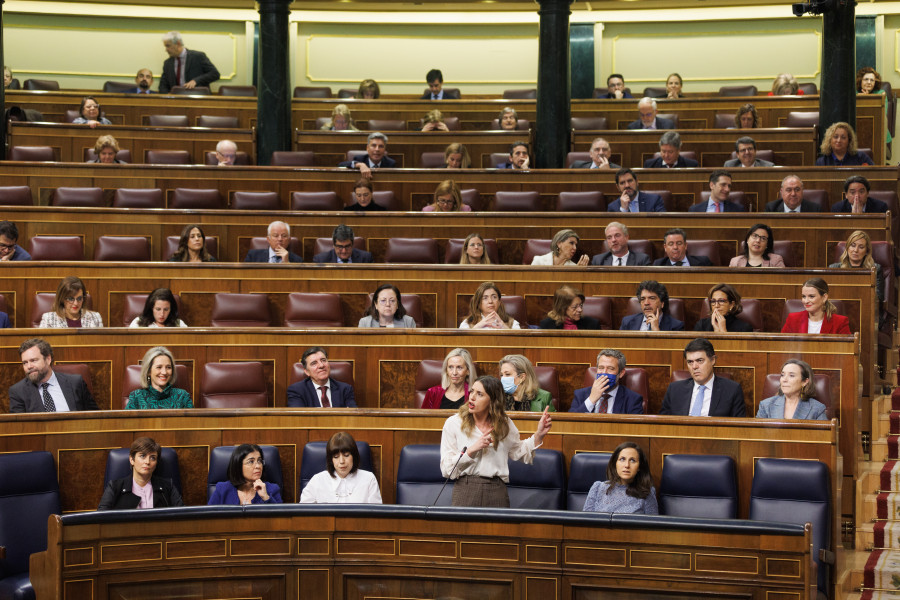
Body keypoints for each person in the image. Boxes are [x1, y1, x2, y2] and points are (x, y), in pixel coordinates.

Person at [439, 375, 552, 507]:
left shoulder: (504, 424)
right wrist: (471, 451)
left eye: (480, 394)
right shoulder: (454, 423)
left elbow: (519, 452)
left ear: (492, 401)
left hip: (496, 491)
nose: (472, 397)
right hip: (465, 488)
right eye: (472, 391)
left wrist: (539, 435)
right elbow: (447, 469)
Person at [660, 338, 747, 417]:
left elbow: (738, 429)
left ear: (713, 360)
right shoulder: (675, 389)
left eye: (700, 360)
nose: (694, 366)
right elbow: (663, 424)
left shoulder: (732, 390)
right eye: (690, 362)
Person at [9, 338, 98, 413]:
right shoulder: (18, 392)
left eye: (33, 360)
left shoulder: (75, 383)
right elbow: (20, 429)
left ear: (48, 359)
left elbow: (94, 417)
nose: (29, 366)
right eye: (25, 363)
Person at [98, 437, 184, 510]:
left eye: (153, 458)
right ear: (132, 460)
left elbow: (182, 516)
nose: (147, 462)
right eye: (142, 456)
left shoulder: (168, 486)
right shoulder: (115, 487)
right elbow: (101, 518)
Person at [299, 432, 382, 503]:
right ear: (331, 460)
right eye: (336, 457)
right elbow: (303, 513)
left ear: (354, 456)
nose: (342, 461)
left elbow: (377, 515)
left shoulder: (369, 479)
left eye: (346, 455)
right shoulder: (317, 480)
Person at [583, 442, 658, 514]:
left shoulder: (647, 493)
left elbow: (653, 525)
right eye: (622, 459)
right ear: (615, 463)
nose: (627, 465)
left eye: (632, 460)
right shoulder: (597, 488)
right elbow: (585, 523)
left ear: (639, 467)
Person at [569, 350, 644, 414]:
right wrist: (591, 400)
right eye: (601, 368)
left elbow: (634, 429)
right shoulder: (580, 395)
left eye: (610, 368)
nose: (604, 372)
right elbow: (570, 424)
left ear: (621, 373)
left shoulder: (633, 399)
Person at [208, 444, 282, 505]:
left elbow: (281, 520)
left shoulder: (272, 489)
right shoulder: (222, 489)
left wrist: (265, 497)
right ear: (238, 466)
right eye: (251, 462)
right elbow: (208, 519)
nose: (258, 466)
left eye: (259, 461)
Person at [287, 346, 357, 408]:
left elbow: (353, 417)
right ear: (307, 372)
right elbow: (298, 419)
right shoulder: (297, 391)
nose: (321, 365)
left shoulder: (345, 389)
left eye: (323, 360)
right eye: (314, 363)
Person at [757, 359, 828, 420]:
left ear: (805, 382)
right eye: (782, 375)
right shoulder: (765, 405)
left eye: (791, 375)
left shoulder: (817, 409)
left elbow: (823, 435)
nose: (784, 380)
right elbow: (757, 434)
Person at [126, 346, 193, 409]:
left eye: (168, 367)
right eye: (159, 367)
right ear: (148, 371)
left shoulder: (183, 396)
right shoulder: (137, 396)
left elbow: (193, 421)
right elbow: (126, 421)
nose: (164, 372)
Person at [829, 230, 884, 303]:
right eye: (853, 245)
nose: (855, 250)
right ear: (847, 248)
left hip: (866, 308)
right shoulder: (834, 268)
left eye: (861, 247)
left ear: (867, 251)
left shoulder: (875, 269)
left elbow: (879, 297)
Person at [781, 278, 851, 334]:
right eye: (803, 296)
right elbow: (782, 347)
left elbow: (845, 350)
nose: (806, 301)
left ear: (824, 297)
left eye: (811, 296)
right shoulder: (793, 319)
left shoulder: (840, 322)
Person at [39, 276, 104, 328]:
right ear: (62, 298)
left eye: (79, 298)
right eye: (70, 299)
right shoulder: (48, 319)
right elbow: (41, 344)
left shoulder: (95, 318)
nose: (75, 303)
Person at [619, 280, 684, 331]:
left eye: (652, 298)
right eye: (643, 299)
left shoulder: (676, 326)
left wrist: (656, 330)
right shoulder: (627, 322)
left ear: (662, 303)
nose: (646, 303)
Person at [857, 67, 893, 152]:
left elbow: (881, 115)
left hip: (879, 135)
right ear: (860, 80)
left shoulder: (881, 94)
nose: (869, 82)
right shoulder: (854, 94)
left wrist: (867, 99)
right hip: (858, 134)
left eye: (872, 80)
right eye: (866, 79)